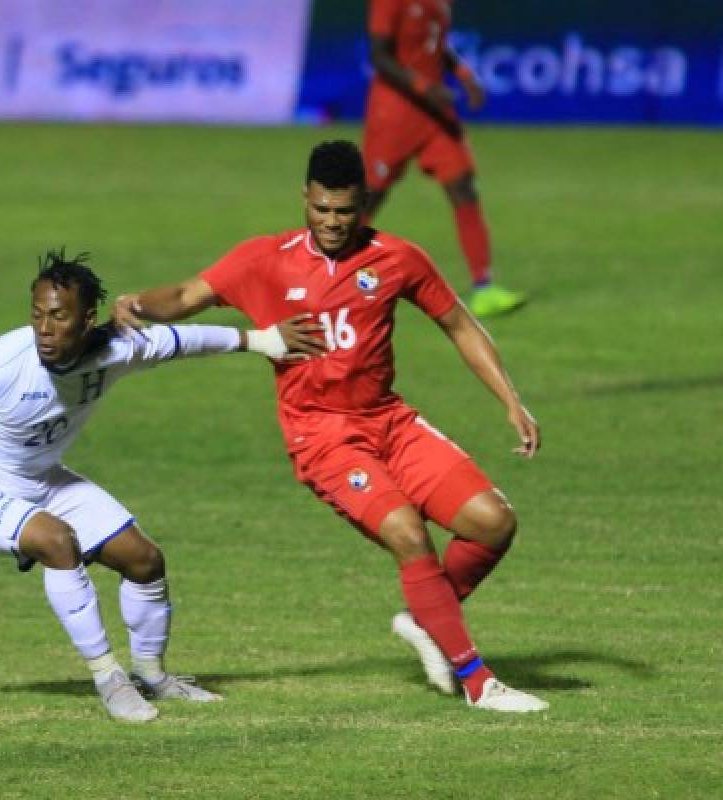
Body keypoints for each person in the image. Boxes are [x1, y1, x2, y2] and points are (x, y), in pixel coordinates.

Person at [112, 140, 548, 713]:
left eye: (344, 211)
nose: (332, 222)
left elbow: (460, 325)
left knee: (493, 523)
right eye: (321, 209)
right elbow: (189, 295)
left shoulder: (398, 258)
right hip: (321, 437)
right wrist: (139, 302)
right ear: (306, 199)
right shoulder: (264, 258)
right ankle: (477, 681)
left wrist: (512, 402)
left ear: (364, 203)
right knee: (409, 535)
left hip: (389, 421)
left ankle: (426, 620)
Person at [0, 250, 318, 722]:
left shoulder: (116, 348)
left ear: (87, 319)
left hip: (40, 480)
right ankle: (110, 679)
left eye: (59, 317)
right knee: (56, 541)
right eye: (37, 315)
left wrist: (261, 340)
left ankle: (153, 676)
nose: (44, 329)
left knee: (144, 561)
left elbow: (180, 340)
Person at [363, 0, 526, 318]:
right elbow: (380, 56)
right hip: (395, 112)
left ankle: (484, 287)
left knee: (463, 186)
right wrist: (424, 86)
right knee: (370, 198)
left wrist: (464, 74)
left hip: (434, 113)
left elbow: (436, 44)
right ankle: (320, 274)